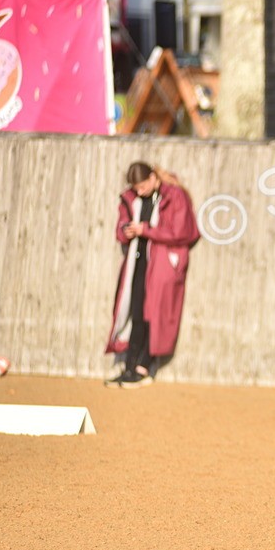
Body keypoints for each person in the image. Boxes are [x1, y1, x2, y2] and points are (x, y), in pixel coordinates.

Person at [104, 162, 200, 388]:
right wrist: (126, 230)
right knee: (136, 311)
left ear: (153, 177)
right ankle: (128, 366)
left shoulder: (174, 196)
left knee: (153, 313)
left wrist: (144, 229)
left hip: (162, 265)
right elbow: (120, 228)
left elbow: (182, 231)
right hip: (137, 263)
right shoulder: (131, 198)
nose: (139, 192)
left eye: (143, 186)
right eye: (135, 188)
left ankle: (144, 366)